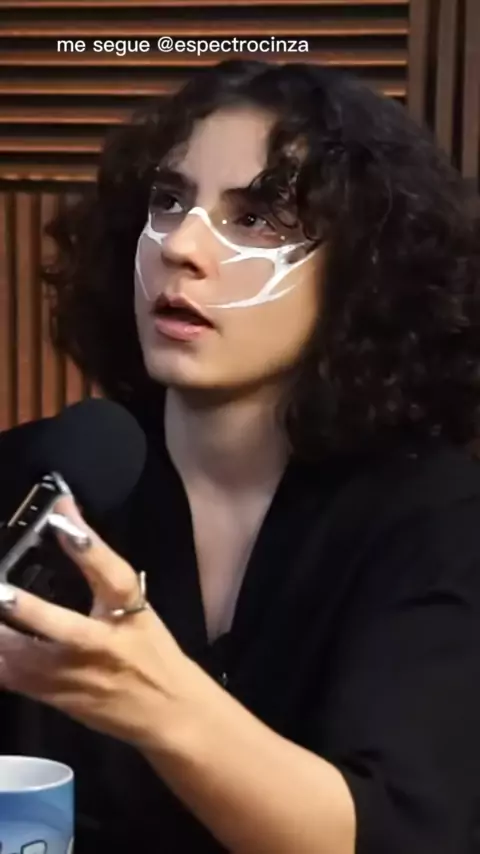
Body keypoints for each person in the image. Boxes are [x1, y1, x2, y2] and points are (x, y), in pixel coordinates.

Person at [0, 59, 480, 854]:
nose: (183, 245)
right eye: (169, 201)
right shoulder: (52, 472)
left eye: (256, 218)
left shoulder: (434, 521)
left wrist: (154, 702)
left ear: (361, 271)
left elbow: (397, 833)